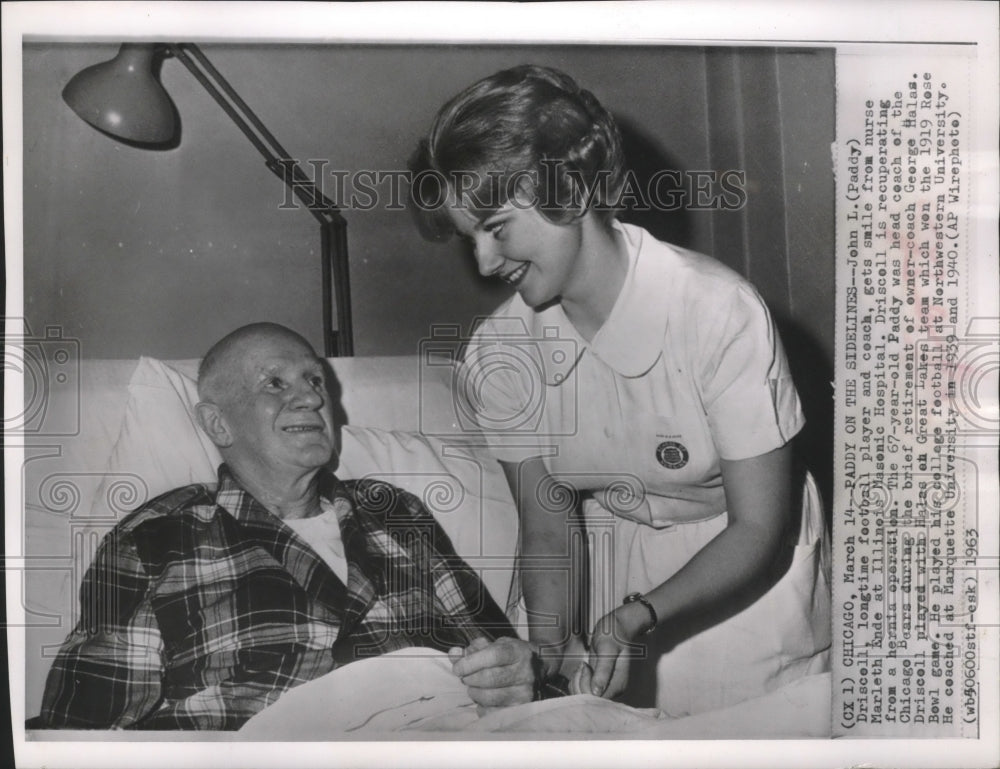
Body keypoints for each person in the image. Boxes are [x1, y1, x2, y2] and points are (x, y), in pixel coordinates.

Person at [411, 64, 831, 716]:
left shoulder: (716, 309)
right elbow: (549, 531)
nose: (485, 265)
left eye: (496, 228)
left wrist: (637, 616)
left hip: (747, 569)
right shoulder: (498, 352)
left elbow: (759, 525)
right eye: (471, 239)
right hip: (624, 558)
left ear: (569, 191)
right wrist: (546, 651)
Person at [36, 323, 543, 730]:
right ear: (217, 424)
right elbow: (83, 729)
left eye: (314, 381)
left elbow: (499, 653)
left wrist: (514, 675)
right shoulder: (157, 537)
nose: (311, 399)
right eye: (275, 383)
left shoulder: (394, 511)